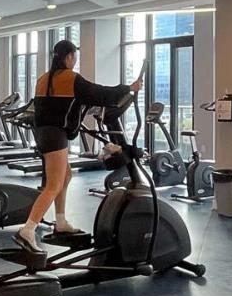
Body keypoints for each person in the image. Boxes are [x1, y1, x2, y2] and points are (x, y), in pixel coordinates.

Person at [14, 39, 142, 253]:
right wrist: (129, 88)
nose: (75, 60)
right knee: (53, 185)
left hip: (43, 133)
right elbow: (101, 93)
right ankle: (27, 230)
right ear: (68, 57)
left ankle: (61, 222)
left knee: (66, 176)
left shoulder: (43, 79)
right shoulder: (71, 78)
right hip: (55, 136)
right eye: (75, 56)